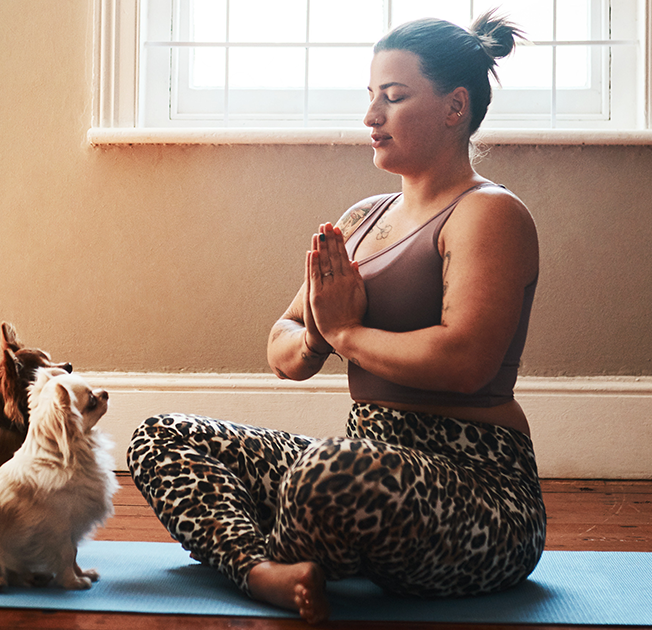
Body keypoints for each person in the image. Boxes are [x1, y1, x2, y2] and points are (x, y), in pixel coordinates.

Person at [127, 11, 543, 624]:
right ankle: (266, 570)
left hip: (478, 491)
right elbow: (284, 347)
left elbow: (465, 363)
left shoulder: (490, 214)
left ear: (456, 107)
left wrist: (347, 333)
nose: (371, 117)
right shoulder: (361, 219)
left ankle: (262, 553)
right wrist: (319, 335)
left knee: (325, 471)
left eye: (394, 98)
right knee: (161, 435)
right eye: (370, 97)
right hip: (368, 455)